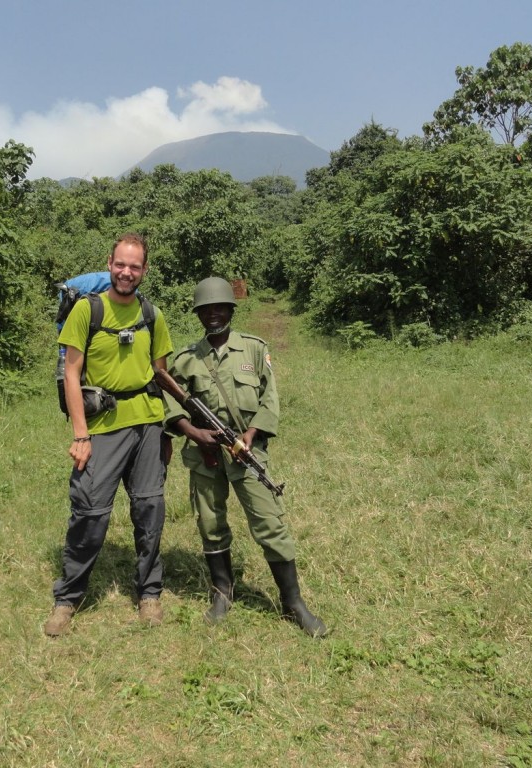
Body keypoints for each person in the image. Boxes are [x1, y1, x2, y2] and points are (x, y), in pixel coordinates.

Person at [164, 277, 327, 637]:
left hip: (246, 454)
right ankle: (222, 594)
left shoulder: (253, 349)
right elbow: (169, 399)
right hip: (206, 456)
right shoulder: (187, 360)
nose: (213, 315)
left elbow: (270, 399)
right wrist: (193, 432)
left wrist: (250, 437)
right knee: (210, 523)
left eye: (220, 308)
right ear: (198, 315)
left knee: (270, 524)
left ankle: (293, 603)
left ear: (231, 310)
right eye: (206, 310)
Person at [44, 233, 174, 637]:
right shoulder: (88, 310)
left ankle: (149, 593)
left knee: (149, 510)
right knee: (90, 512)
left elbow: (160, 373)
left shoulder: (153, 313)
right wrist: (80, 434)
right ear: (110, 263)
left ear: (144, 271)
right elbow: (71, 372)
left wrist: (167, 428)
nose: (126, 272)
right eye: (121, 264)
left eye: (135, 267)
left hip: (147, 424)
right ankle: (68, 598)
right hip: (102, 427)